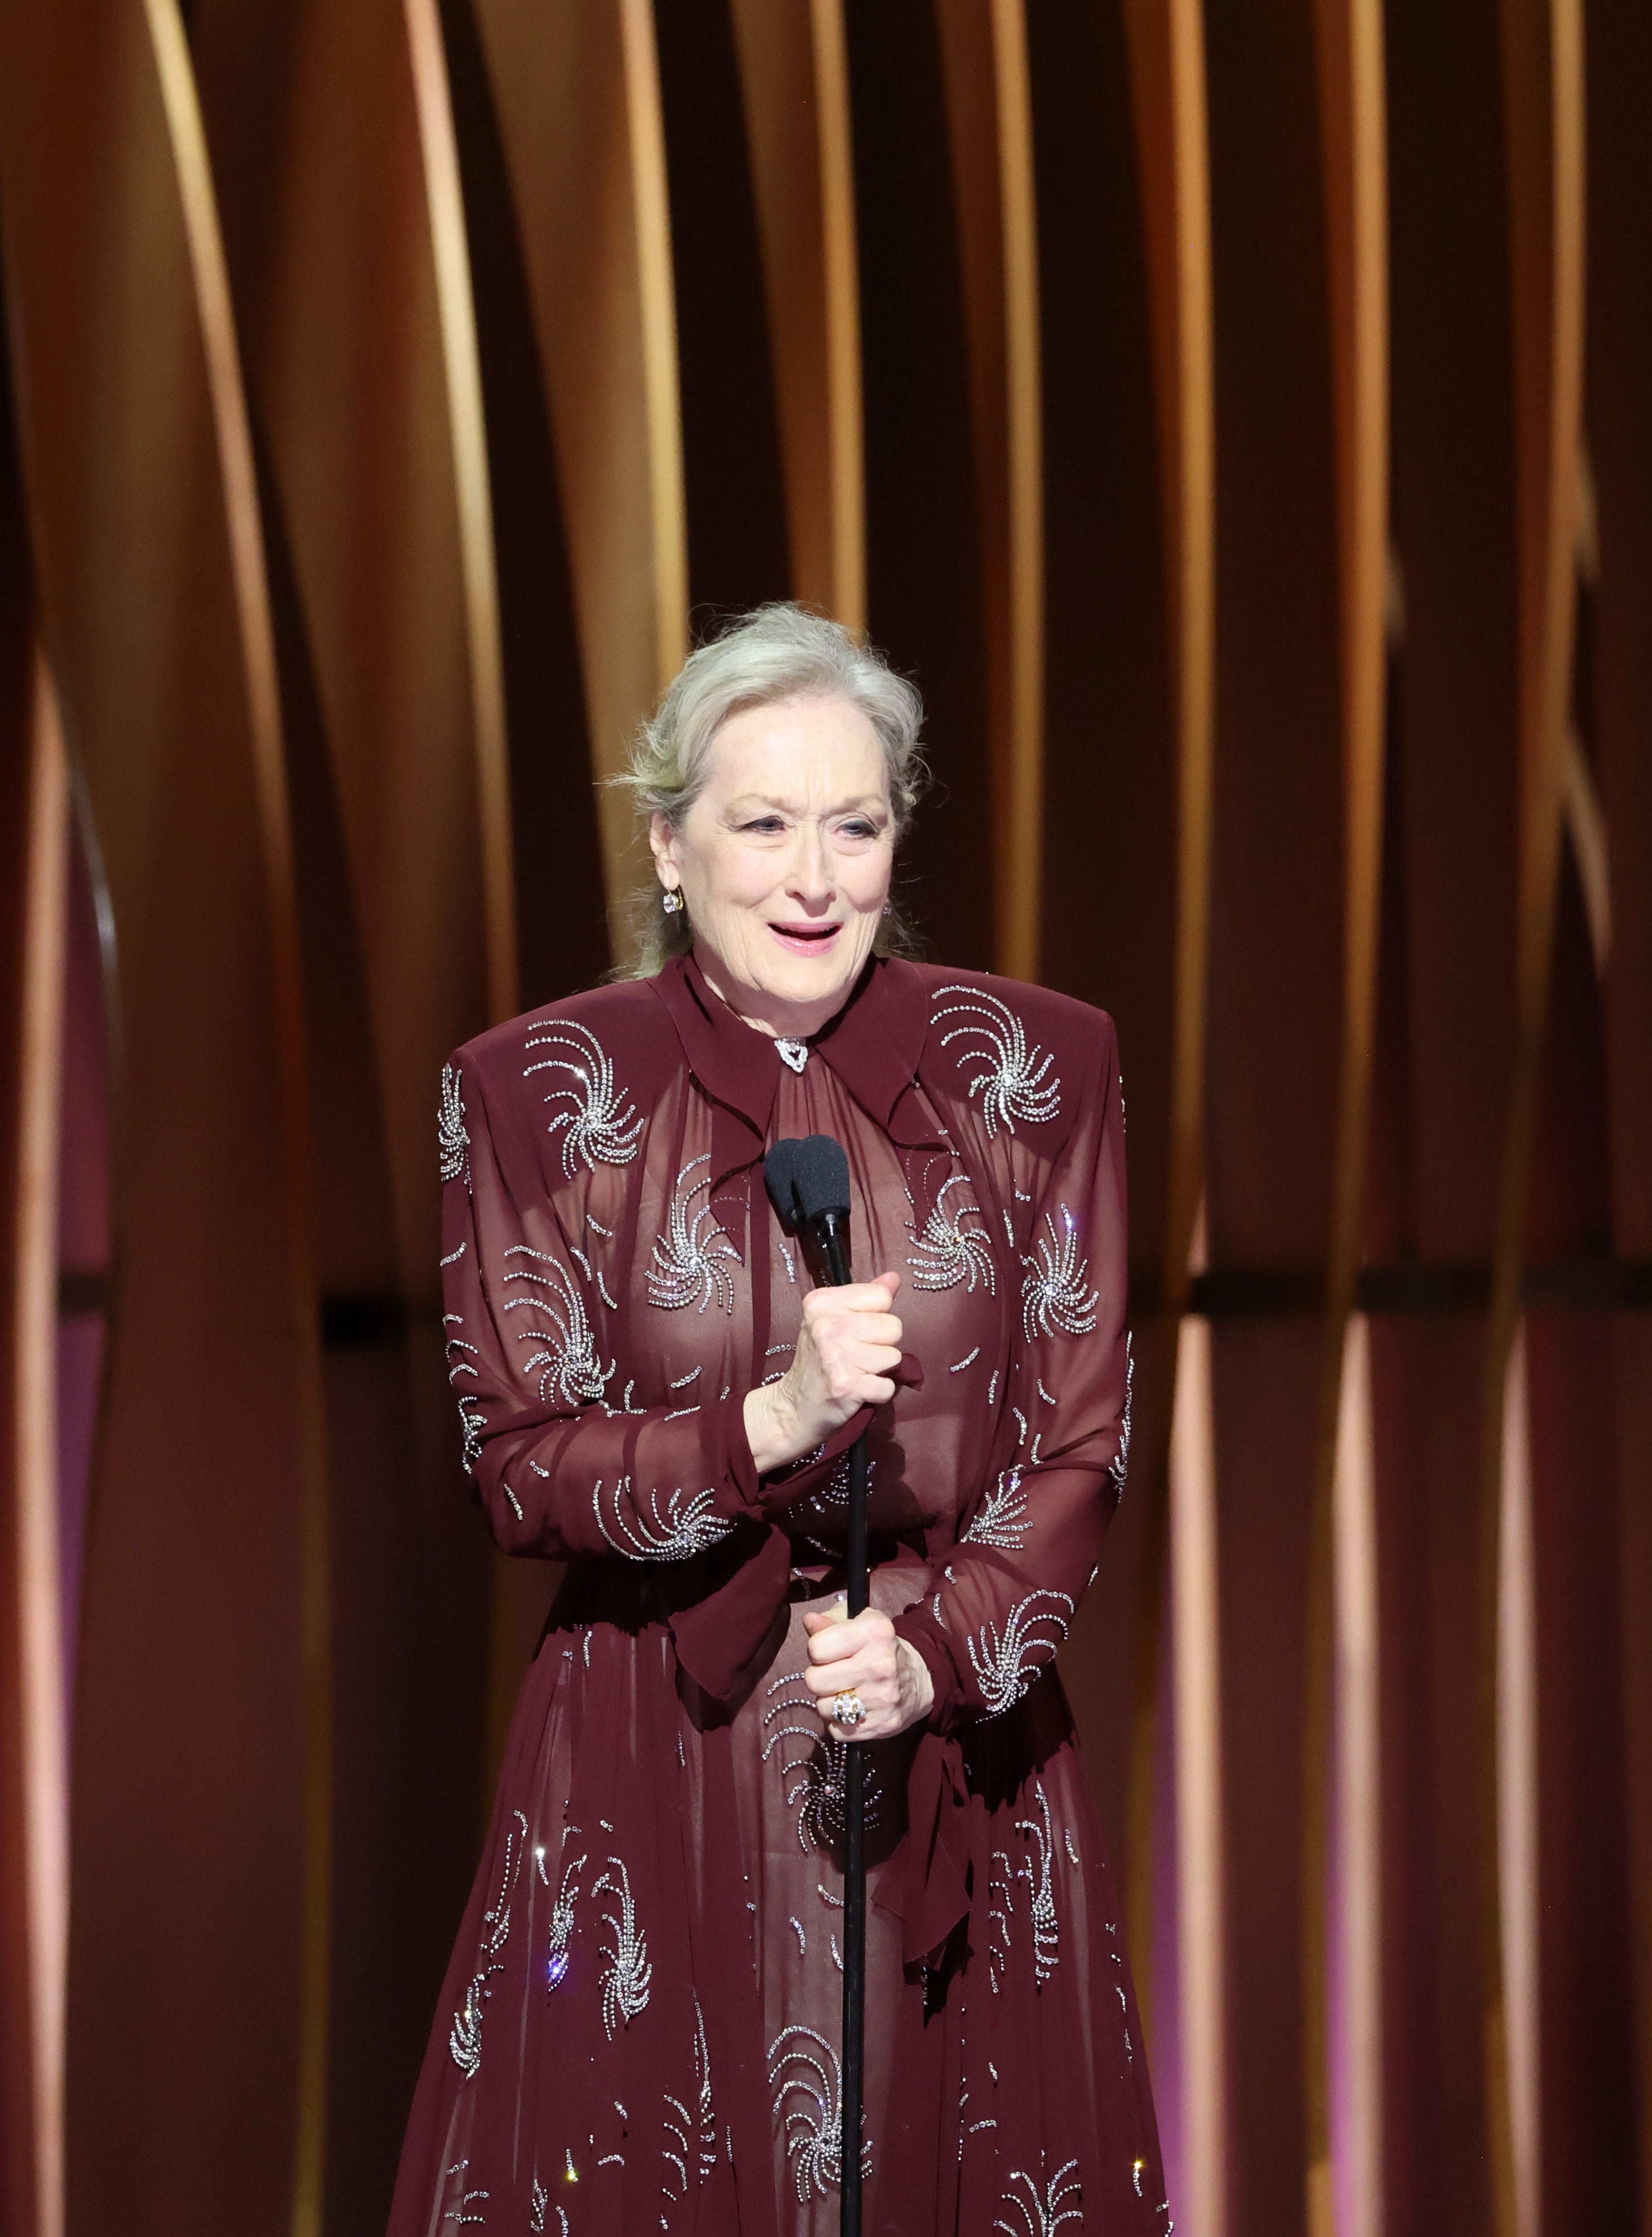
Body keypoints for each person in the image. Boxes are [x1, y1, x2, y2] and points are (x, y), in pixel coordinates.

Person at [390, 605, 1162, 2232]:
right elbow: (516, 1467)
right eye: (762, 824)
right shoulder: (537, 1093)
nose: (814, 876)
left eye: (855, 825)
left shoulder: (1036, 1067)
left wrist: (935, 1652)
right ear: (668, 846)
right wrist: (768, 1424)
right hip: (655, 1751)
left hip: (957, 1744)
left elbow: (1080, 1442)